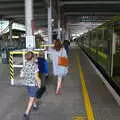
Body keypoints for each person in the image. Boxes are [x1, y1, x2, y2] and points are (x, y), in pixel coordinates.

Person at [20, 51, 41, 120]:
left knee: (32, 95)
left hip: (27, 83)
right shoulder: (35, 66)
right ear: (32, 58)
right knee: (31, 99)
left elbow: (21, 75)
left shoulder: (25, 64)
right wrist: (39, 84)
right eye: (34, 56)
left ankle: (34, 105)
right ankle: (26, 114)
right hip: (33, 84)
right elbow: (37, 77)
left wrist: (26, 75)